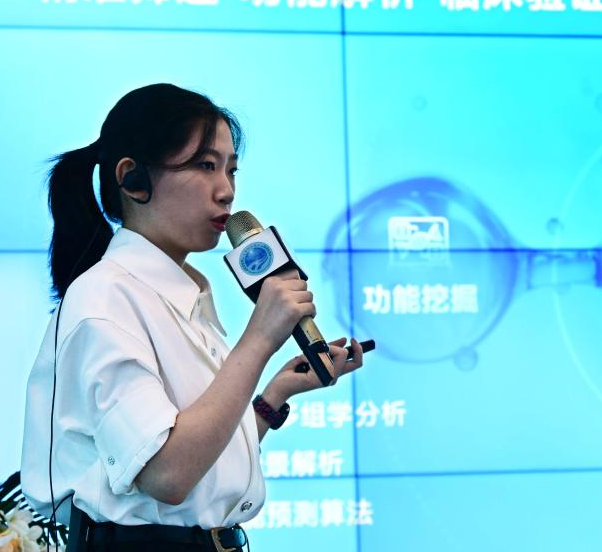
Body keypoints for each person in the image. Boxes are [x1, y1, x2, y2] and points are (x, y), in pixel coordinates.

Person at [21, 83, 366, 551]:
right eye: (205, 166)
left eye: (231, 169)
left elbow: (202, 462)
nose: (227, 191)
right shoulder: (105, 299)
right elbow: (167, 475)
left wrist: (273, 396)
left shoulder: (178, 296)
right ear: (133, 179)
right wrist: (259, 339)